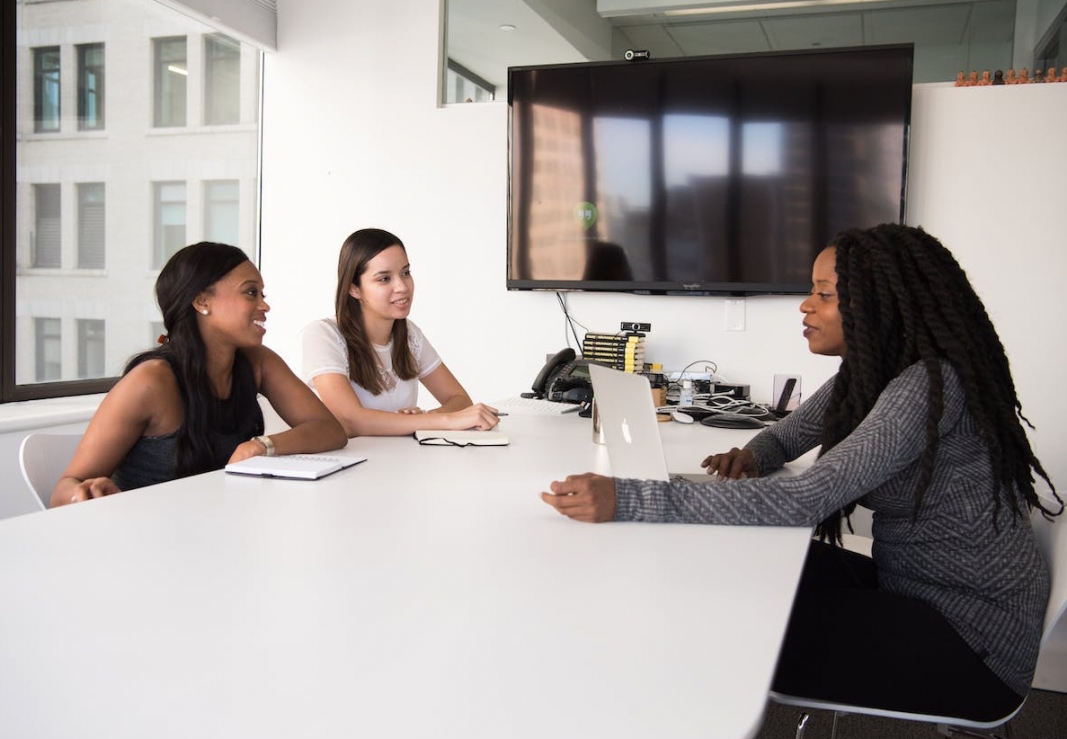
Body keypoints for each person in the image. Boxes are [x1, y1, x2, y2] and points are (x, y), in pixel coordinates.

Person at [542, 223, 1062, 721]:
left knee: (728, 620)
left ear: (878, 305)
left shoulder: (928, 385)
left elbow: (805, 499)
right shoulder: (871, 375)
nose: (805, 305)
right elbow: (790, 433)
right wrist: (754, 455)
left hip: (970, 642)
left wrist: (631, 498)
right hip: (914, 588)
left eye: (825, 294)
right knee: (742, 567)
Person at [52, 242, 347, 506]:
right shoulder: (151, 382)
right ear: (202, 301)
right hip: (149, 542)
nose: (264, 305)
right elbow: (63, 491)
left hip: (218, 530)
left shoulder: (258, 362)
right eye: (250, 292)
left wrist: (261, 445)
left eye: (262, 294)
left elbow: (329, 430)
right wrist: (85, 494)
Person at [301, 228, 499, 436]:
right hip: (350, 464)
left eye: (405, 273)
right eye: (384, 279)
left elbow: (459, 399)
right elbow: (351, 420)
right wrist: (435, 421)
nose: (402, 287)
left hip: (400, 461)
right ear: (354, 288)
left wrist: (419, 421)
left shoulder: (410, 334)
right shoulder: (323, 335)